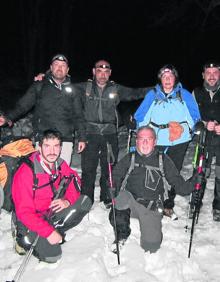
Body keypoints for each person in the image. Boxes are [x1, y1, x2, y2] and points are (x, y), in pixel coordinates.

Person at [73, 60, 151, 208]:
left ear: (110, 73)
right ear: (94, 71)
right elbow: (63, 85)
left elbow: (136, 93)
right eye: (99, 71)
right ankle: (86, 198)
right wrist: (45, 77)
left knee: (108, 166)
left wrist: (156, 89)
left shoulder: (116, 89)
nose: (102, 75)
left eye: (106, 72)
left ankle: (107, 196)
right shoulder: (85, 88)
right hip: (90, 133)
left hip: (110, 134)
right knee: (88, 168)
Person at [109, 126, 197, 253]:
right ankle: (121, 235)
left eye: (149, 139)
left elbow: (181, 187)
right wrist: (112, 187)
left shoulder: (163, 160)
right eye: (141, 139)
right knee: (120, 199)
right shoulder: (130, 158)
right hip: (131, 202)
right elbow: (115, 176)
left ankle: (151, 232)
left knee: (151, 246)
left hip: (152, 206)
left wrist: (195, 181)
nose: (145, 142)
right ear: (137, 141)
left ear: (155, 142)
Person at [12, 129, 92, 263]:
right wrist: (48, 232)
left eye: (56, 146)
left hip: (50, 211)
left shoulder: (59, 164)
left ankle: (53, 228)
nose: (52, 151)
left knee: (84, 202)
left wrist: (67, 200)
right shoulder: (26, 172)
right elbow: (24, 212)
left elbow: (75, 179)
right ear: (39, 147)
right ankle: (23, 238)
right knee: (52, 256)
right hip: (30, 219)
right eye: (47, 146)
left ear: (61, 148)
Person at [134, 64, 201, 218]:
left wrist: (197, 125)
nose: (168, 79)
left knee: (173, 172)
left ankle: (168, 204)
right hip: (157, 138)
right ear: (160, 79)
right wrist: (136, 125)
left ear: (175, 78)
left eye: (170, 76)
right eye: (164, 77)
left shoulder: (183, 94)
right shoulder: (153, 94)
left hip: (179, 139)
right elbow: (142, 114)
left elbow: (194, 115)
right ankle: (152, 199)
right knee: (155, 169)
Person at [0, 54, 86, 165]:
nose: (59, 68)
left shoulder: (74, 90)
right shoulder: (39, 86)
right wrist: (8, 117)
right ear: (51, 68)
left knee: (62, 175)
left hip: (65, 139)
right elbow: (23, 106)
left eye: (63, 65)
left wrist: (82, 137)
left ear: (67, 69)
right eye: (56, 65)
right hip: (42, 137)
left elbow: (78, 115)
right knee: (41, 174)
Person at [193, 61, 220, 221]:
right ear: (203, 75)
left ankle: (218, 206)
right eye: (208, 73)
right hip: (204, 139)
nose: (211, 76)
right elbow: (191, 117)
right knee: (201, 171)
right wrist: (204, 124)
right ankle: (195, 203)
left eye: (215, 72)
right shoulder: (196, 93)